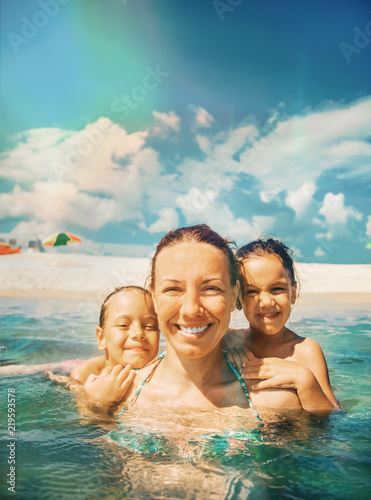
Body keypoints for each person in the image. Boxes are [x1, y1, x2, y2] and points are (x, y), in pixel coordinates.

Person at [111, 225, 334, 417]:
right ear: (153, 298)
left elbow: (328, 424)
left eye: (211, 288)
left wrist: (305, 380)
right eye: (172, 288)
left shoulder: (279, 398)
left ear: (232, 296)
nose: (190, 310)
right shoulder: (117, 392)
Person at [224, 238, 339, 409]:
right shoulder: (228, 341)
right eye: (252, 291)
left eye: (276, 289)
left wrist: (304, 379)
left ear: (293, 293)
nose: (266, 302)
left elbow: (333, 417)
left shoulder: (305, 351)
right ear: (238, 299)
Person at [1, 286, 160, 407]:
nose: (138, 333)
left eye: (150, 326)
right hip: (63, 371)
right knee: (15, 371)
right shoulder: (84, 376)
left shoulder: (163, 369)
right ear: (101, 338)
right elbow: (86, 422)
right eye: (124, 325)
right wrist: (99, 401)